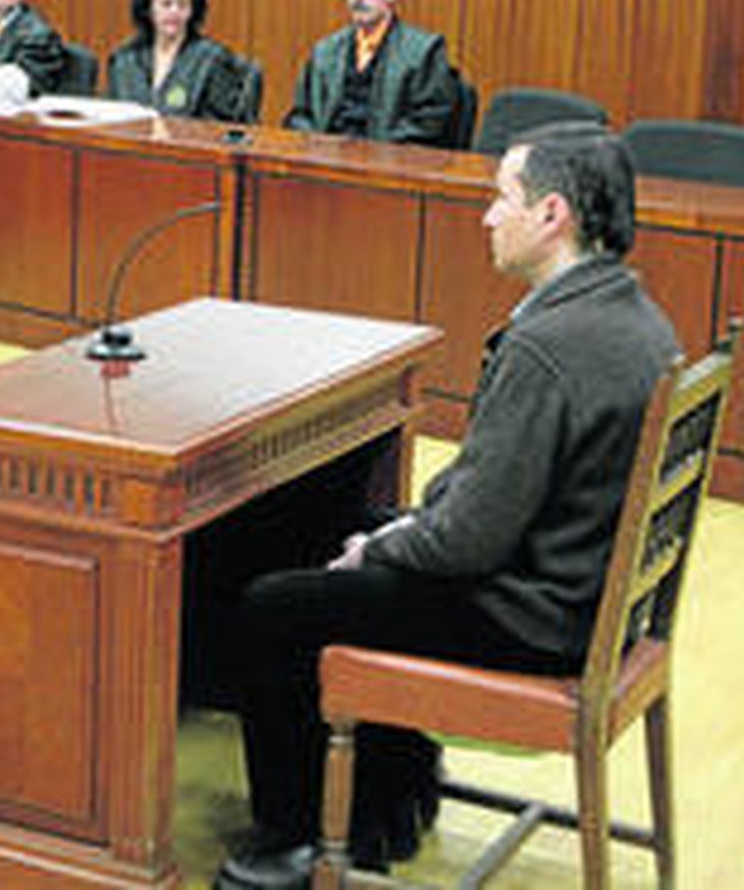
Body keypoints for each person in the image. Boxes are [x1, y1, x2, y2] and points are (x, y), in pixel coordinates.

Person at [214, 122, 681, 890]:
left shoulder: (548, 347)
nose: (488, 217)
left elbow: (467, 541)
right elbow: (481, 504)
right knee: (330, 534)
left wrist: (381, 547)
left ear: (553, 214)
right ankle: (391, 804)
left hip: (530, 621)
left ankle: (305, 840)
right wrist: (398, 531)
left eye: (503, 199)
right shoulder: (636, 318)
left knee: (276, 606)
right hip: (582, 603)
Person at [282, 0, 459, 146]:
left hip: (387, 159)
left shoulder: (423, 51)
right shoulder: (325, 52)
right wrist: (316, 145)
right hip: (326, 157)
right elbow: (300, 115)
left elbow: (429, 123)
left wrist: (375, 152)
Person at [106, 0, 253, 121]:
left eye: (182, 4)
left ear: (192, 11)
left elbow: (220, 126)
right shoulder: (124, 59)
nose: (174, 11)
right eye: (166, 4)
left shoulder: (212, 60)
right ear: (149, 9)